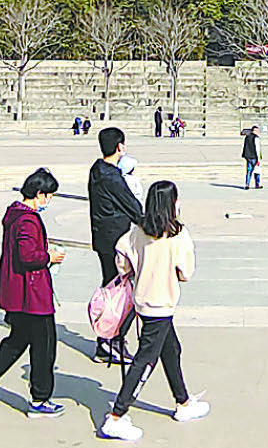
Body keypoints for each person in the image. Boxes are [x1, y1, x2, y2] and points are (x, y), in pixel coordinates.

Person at [98, 181, 209, 441]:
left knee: (171, 349)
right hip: (162, 303)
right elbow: (186, 272)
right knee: (145, 360)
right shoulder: (177, 234)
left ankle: (183, 401)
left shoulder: (137, 231)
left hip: (143, 301)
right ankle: (117, 415)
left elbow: (121, 259)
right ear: (173, 203)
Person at [0, 168, 66, 419]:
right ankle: (40, 399)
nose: (49, 200)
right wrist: (49, 256)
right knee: (44, 346)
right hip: (32, 295)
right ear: (39, 194)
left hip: (16, 293)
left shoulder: (14, 214)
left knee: (17, 341)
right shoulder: (28, 220)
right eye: (49, 195)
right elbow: (27, 256)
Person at [89, 127, 144, 365]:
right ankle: (110, 339)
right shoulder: (111, 177)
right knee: (124, 294)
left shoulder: (96, 169)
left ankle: (108, 340)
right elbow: (134, 208)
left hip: (103, 239)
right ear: (120, 147)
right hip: (116, 242)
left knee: (113, 289)